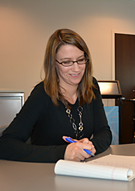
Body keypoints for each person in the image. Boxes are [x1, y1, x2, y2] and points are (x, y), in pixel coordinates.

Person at [0, 29, 112, 163]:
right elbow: (5, 144)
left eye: (81, 60)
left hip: (82, 172)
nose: (76, 69)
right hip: (45, 175)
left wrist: (90, 147)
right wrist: (63, 153)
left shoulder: (91, 86)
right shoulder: (42, 93)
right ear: (54, 64)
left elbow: (104, 132)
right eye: (66, 62)